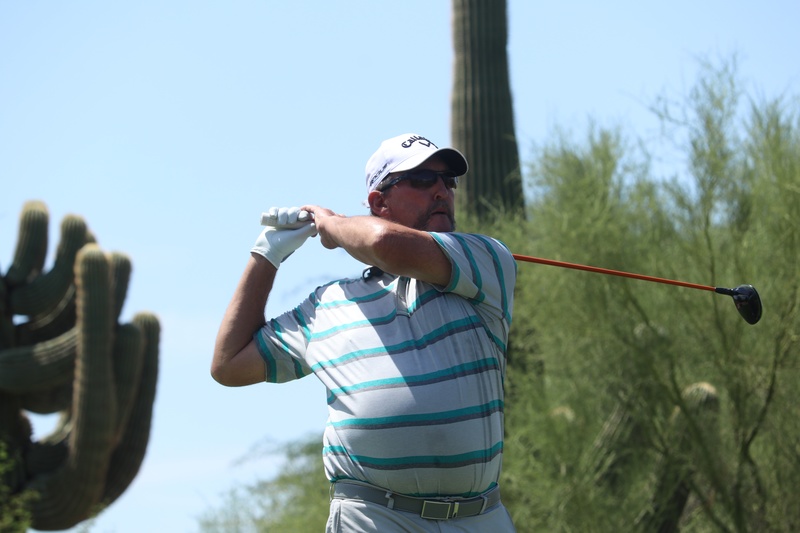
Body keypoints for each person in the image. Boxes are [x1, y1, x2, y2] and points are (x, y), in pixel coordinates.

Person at [212, 133, 518, 532]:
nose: (441, 191)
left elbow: (384, 242)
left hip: (478, 519)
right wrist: (266, 256)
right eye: (422, 179)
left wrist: (332, 225)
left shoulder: (485, 260)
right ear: (379, 203)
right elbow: (229, 363)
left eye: (448, 180)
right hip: (372, 518)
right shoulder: (328, 304)